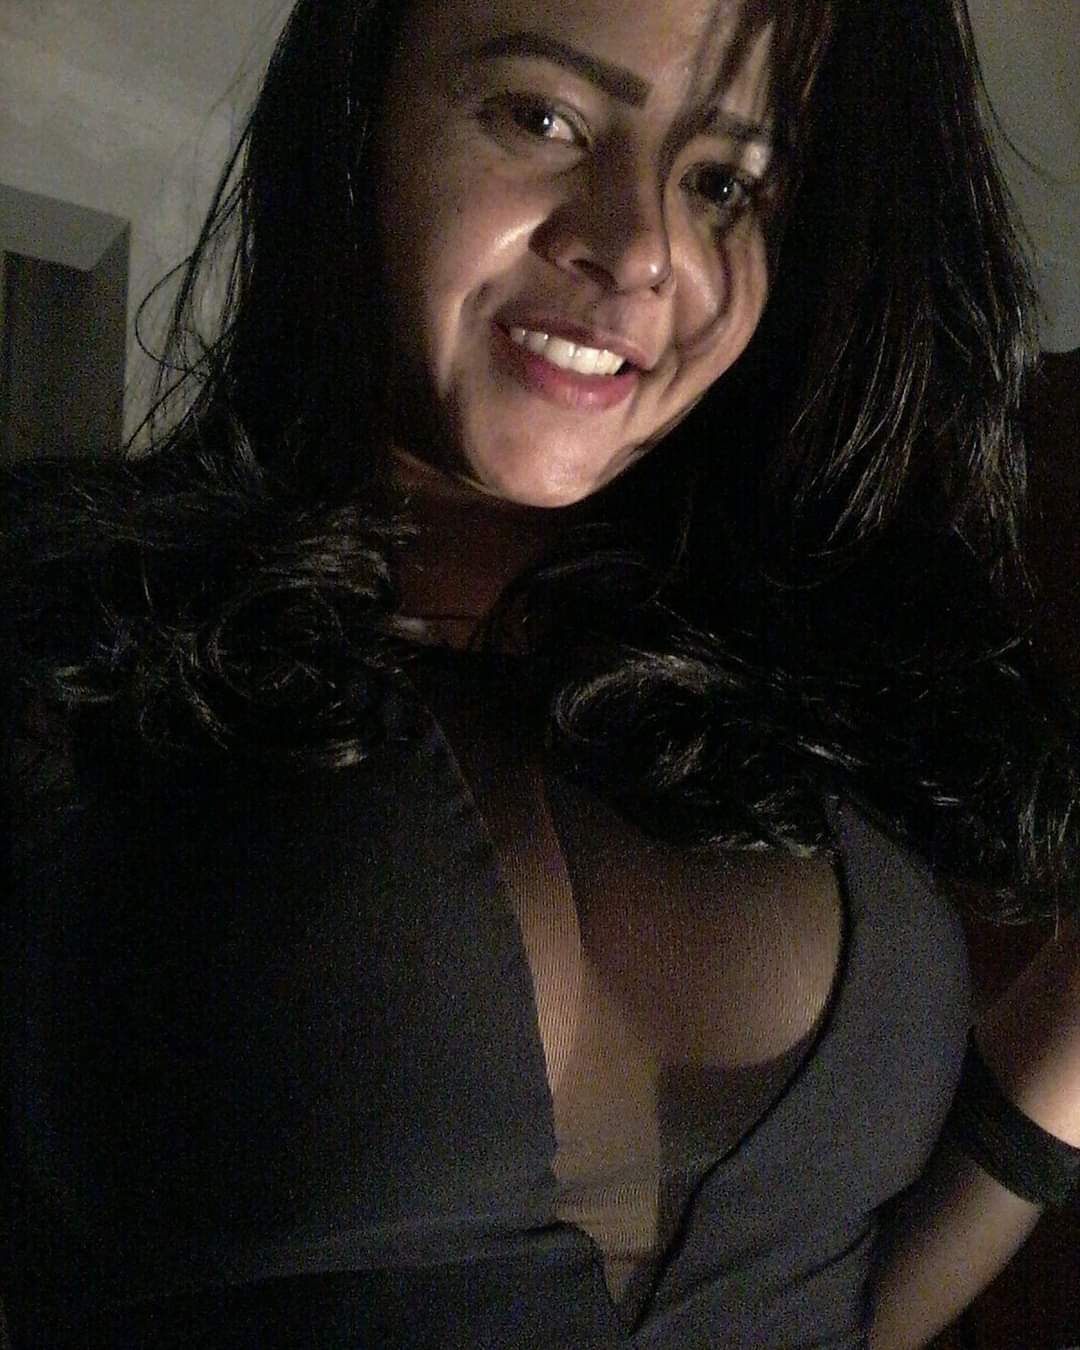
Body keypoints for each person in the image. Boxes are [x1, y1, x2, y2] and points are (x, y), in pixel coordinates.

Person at [2, 0, 1078, 1346]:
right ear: (360, 113)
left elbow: (814, 1305)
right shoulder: (62, 648)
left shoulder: (802, 690)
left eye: (723, 183)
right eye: (543, 116)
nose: (639, 249)